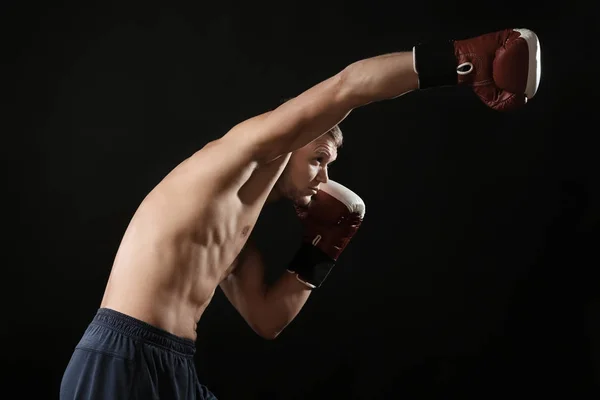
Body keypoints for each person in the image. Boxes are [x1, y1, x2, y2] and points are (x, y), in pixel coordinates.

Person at [60, 28, 542, 399]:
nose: (324, 177)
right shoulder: (235, 155)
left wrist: (324, 245)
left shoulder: (229, 232)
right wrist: (463, 60)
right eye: (319, 158)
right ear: (288, 145)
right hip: (122, 356)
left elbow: (267, 318)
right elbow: (348, 88)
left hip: (174, 363)